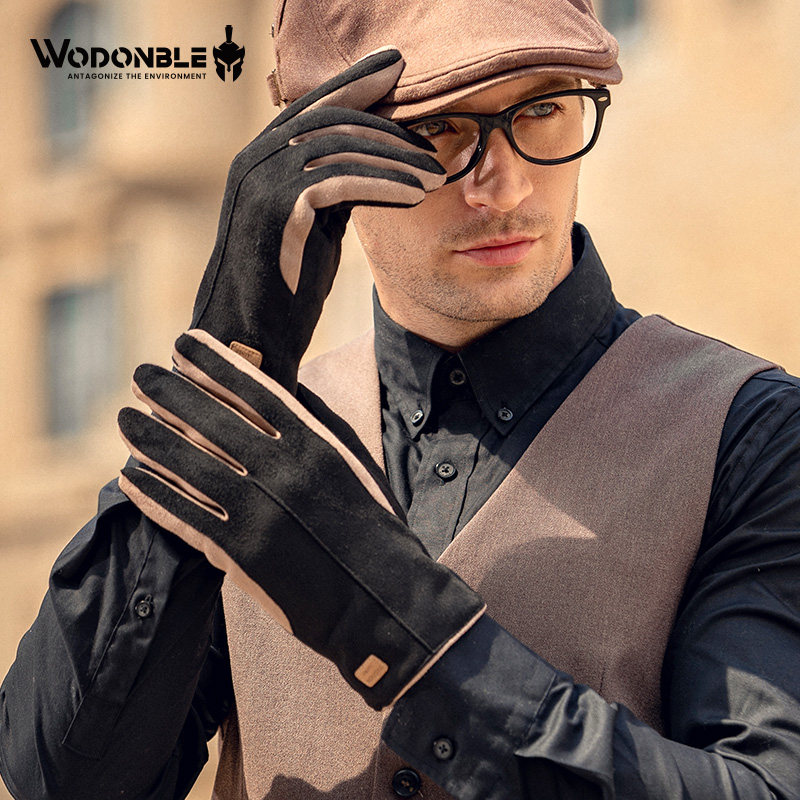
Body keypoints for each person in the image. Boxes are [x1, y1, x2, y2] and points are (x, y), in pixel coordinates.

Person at [2, 1, 800, 798]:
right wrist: (231, 348)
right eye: (439, 128)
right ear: (321, 157)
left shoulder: (748, 433)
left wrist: (382, 615)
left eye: (544, 109)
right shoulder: (259, 438)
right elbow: (61, 784)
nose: (506, 187)